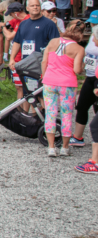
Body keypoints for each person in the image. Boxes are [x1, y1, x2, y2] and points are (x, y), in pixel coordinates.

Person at [40, 21, 85, 158]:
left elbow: (44, 61)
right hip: (67, 84)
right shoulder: (78, 49)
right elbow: (77, 70)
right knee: (66, 115)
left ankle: (51, 147)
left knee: (50, 114)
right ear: (80, 34)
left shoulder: (53, 42)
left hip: (49, 81)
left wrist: (44, 76)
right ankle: (65, 147)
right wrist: (82, 66)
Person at [71, 9, 98, 148]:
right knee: (82, 106)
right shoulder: (93, 37)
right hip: (90, 75)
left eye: (94, 23)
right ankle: (78, 137)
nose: (91, 26)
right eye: (91, 24)